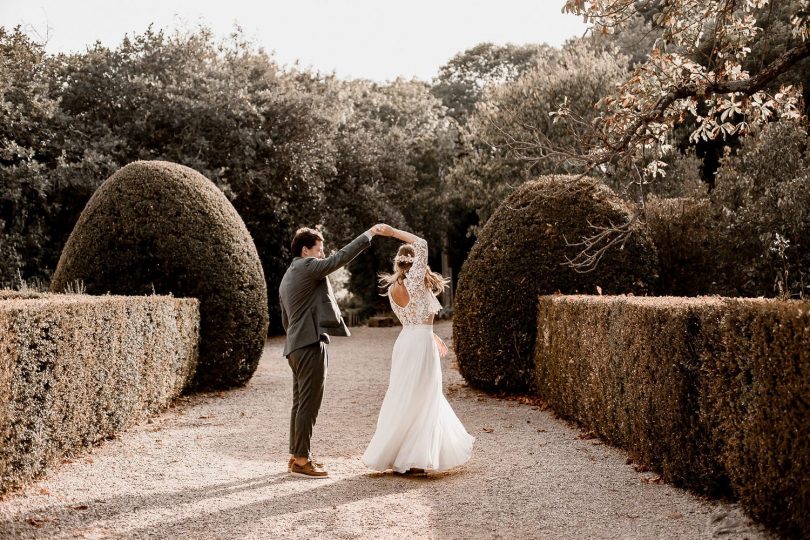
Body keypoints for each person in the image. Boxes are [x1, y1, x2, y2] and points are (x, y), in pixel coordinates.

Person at [362, 225, 474, 475]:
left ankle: (398, 454)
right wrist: (392, 232)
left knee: (404, 395)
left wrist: (431, 334)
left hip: (406, 342)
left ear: (397, 263)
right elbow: (421, 242)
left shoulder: (392, 289)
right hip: (420, 346)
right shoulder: (414, 282)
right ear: (415, 263)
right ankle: (414, 459)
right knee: (425, 396)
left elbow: (412, 320)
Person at [280, 224, 385, 478]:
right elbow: (339, 260)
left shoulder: (288, 275)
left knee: (299, 404)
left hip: (294, 345)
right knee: (309, 405)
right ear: (306, 251)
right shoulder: (307, 267)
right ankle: (303, 461)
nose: (323, 254)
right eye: (320, 249)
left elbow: (286, 319)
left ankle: (297, 456)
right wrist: (367, 234)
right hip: (309, 345)